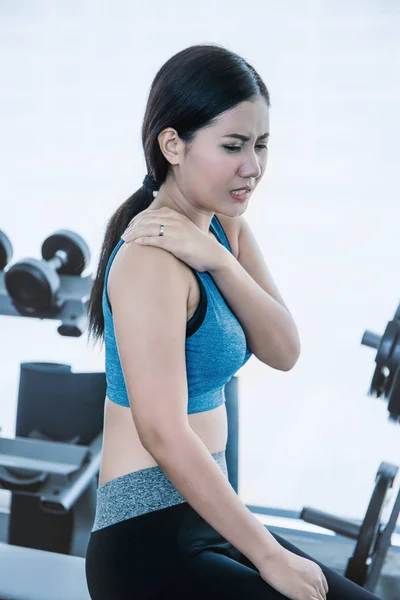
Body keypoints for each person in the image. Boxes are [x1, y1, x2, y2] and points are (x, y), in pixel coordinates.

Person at [85, 43, 381, 600]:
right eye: (232, 146)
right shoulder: (149, 260)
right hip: (149, 541)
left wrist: (218, 259)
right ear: (173, 145)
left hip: (209, 518)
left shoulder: (225, 229)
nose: (253, 167)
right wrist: (270, 556)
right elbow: (162, 433)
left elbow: (284, 349)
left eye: (261, 144)